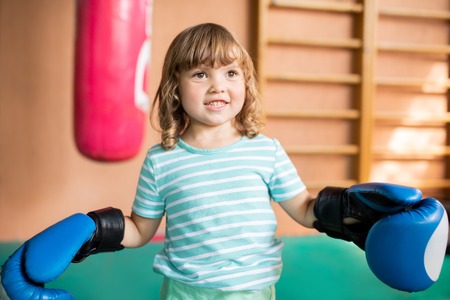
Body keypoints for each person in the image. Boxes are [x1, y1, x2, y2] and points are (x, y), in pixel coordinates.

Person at [1, 23, 448, 300]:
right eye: (201, 73)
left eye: (230, 72)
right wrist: (93, 230)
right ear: (176, 87)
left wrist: (350, 209)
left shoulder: (265, 150)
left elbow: (306, 209)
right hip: (182, 292)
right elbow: (141, 228)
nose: (218, 84)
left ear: (245, 83)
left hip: (250, 293)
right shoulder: (163, 160)